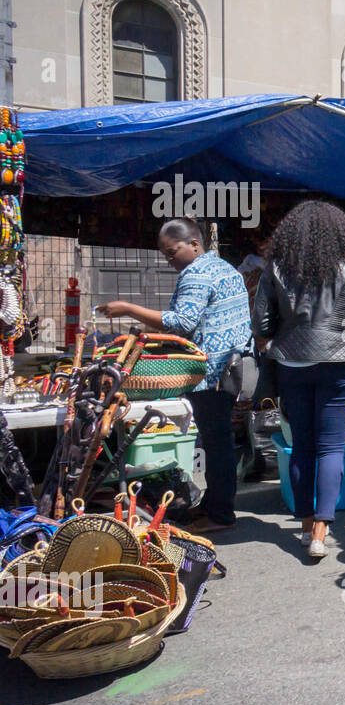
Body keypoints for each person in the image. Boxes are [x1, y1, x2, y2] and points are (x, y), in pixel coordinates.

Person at [97, 217, 251, 533]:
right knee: (216, 440)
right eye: (165, 254)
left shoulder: (196, 273)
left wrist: (128, 308)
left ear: (195, 244)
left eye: (173, 251)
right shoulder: (225, 269)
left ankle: (220, 515)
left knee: (217, 443)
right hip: (232, 368)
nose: (170, 260)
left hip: (210, 372)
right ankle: (213, 507)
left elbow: (181, 322)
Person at [252, 200, 345, 559]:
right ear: (339, 234)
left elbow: (261, 326)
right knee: (331, 447)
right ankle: (322, 531)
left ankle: (306, 527)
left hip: (291, 364)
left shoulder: (276, 267)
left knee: (302, 447)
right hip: (340, 365)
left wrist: (286, 335)